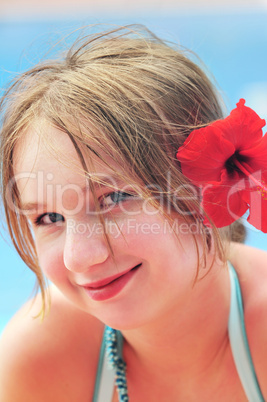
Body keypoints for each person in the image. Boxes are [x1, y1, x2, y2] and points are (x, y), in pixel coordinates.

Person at [0, 25, 266, 401]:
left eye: (113, 198)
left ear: (210, 185)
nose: (80, 257)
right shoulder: (39, 359)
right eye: (50, 218)